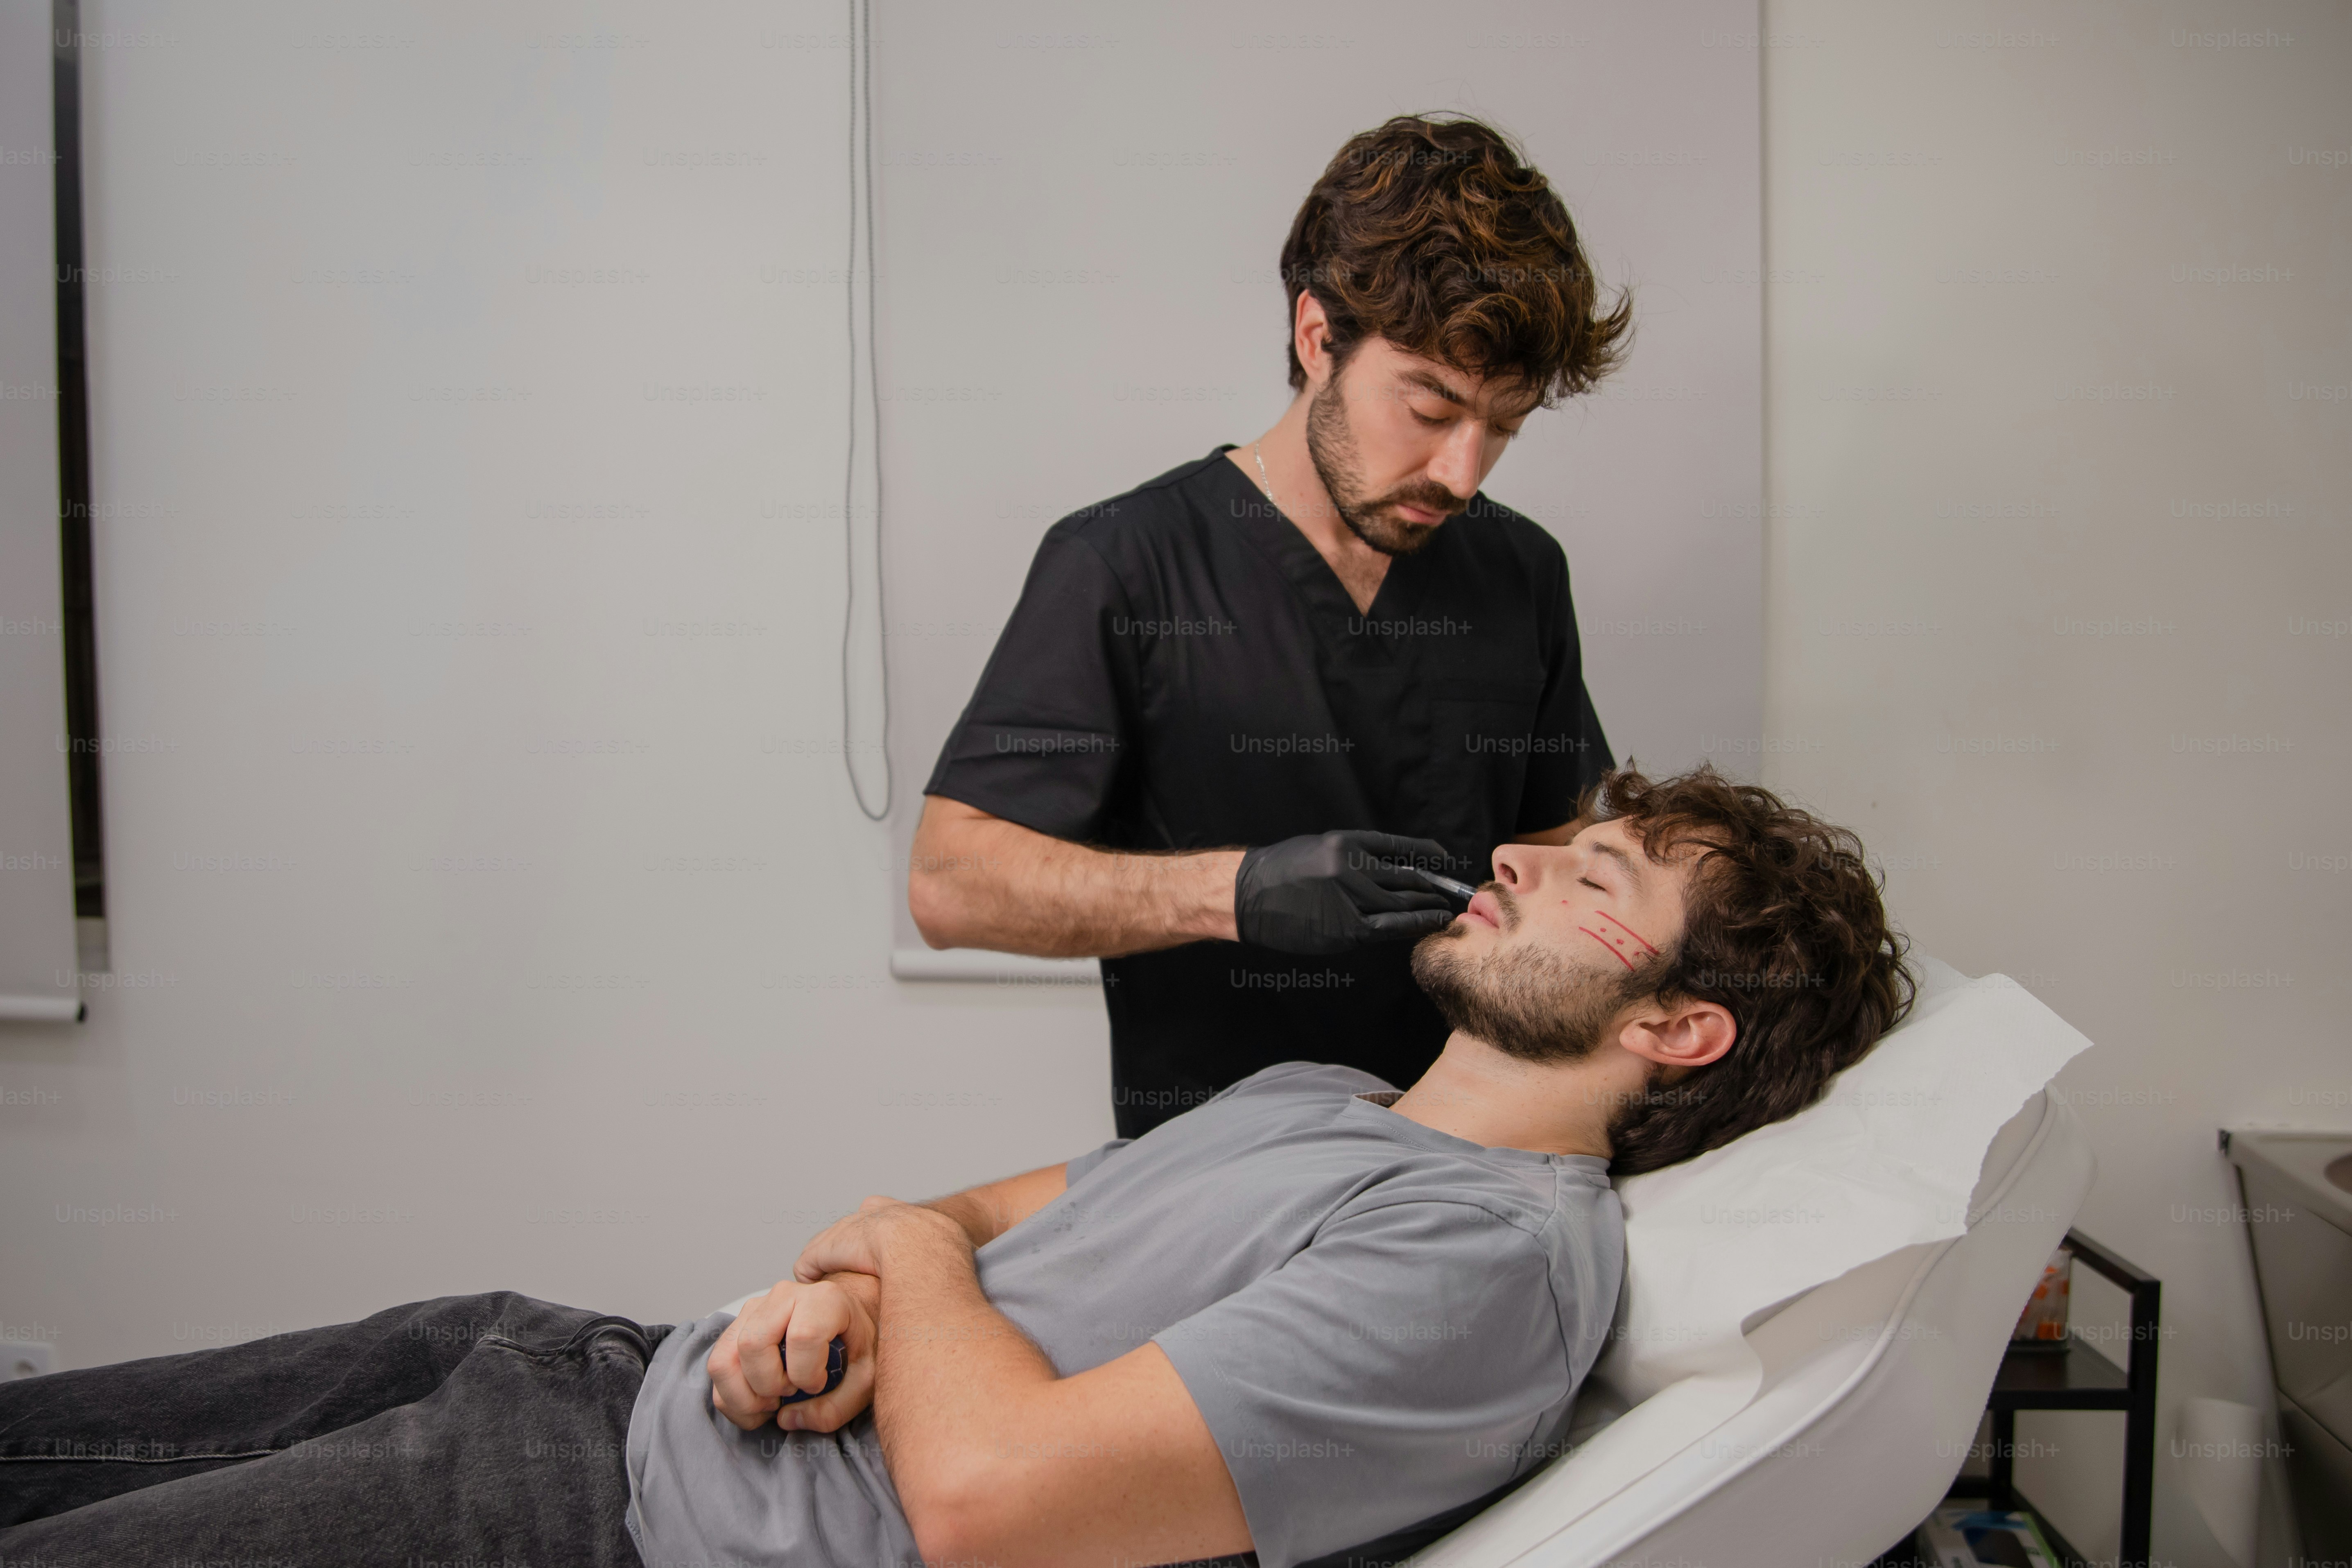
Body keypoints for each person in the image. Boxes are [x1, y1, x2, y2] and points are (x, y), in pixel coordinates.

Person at [0, 767, 1912, 1568]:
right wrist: (870, 1268)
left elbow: (997, 1497)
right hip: (587, 1365)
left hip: (601, 1520)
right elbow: (974, 1221)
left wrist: (893, 1262)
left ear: (1678, 1027)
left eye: (1594, 878)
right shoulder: (1325, 1096)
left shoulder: (1489, 1266)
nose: (1517, 856)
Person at [911, 112, 1636, 1136]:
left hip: (1471, 1171)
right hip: (1210, 1191)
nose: (1461, 473)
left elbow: (1562, 852)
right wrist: (1235, 893)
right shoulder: (1124, 564)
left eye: (1502, 428)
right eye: (1430, 409)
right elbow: (950, 884)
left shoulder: (1519, 571)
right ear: (1316, 336)